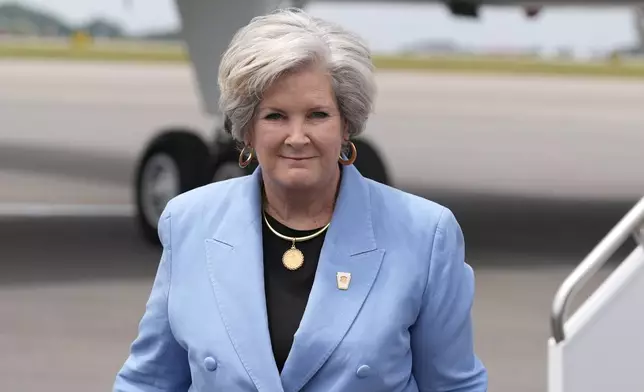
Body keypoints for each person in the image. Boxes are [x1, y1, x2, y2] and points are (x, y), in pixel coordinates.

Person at [113, 7, 487, 392]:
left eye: (317, 115)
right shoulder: (189, 221)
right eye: (275, 116)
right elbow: (148, 381)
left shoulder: (426, 235)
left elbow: (454, 386)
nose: (296, 136)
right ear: (247, 130)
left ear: (347, 125)